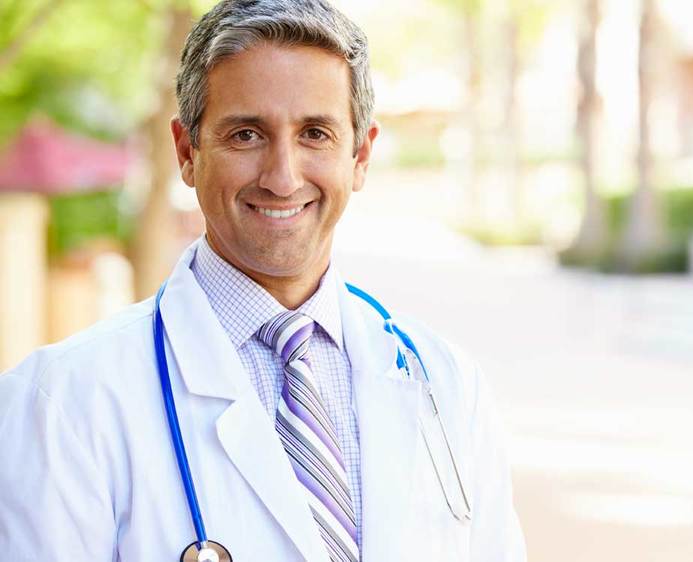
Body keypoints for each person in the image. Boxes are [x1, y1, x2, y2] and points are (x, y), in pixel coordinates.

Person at [0, 1, 526, 560]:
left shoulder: (446, 386)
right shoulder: (60, 402)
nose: (282, 177)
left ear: (361, 155)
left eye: (316, 134)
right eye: (247, 134)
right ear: (187, 151)